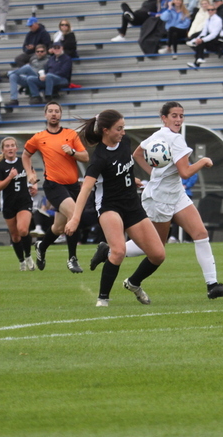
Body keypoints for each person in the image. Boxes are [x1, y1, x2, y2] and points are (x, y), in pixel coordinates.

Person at [90, 102, 223, 300]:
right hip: (160, 198)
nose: (178, 120)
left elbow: (137, 154)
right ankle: (112, 255)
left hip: (175, 194)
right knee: (156, 247)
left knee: (200, 233)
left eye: (181, 116)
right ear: (163, 118)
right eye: (173, 116)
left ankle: (212, 285)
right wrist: (203, 161)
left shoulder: (158, 136)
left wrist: (155, 174)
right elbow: (185, 173)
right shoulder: (173, 139)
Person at [65, 110, 166, 307]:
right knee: (119, 251)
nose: (123, 132)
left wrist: (132, 180)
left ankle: (134, 283)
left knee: (158, 254)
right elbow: (86, 189)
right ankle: (103, 298)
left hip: (132, 205)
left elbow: (123, 169)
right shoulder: (99, 158)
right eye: (119, 129)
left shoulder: (125, 142)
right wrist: (75, 218)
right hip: (109, 206)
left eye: (123, 127)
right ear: (106, 131)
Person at [22, 101, 89, 273]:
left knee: (59, 227)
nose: (53, 114)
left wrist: (72, 153)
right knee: (74, 215)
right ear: (45, 115)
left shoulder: (71, 134)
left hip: (72, 186)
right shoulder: (38, 137)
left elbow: (85, 157)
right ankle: (72, 259)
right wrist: (30, 173)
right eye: (50, 111)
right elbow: (25, 155)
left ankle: (42, 247)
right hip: (53, 185)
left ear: (60, 114)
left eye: (56, 111)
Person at [0, 137, 38, 270]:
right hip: (8, 204)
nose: (10, 148)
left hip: (24, 201)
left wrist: (34, 185)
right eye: (7, 146)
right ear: (3, 150)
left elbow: (32, 175)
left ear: (16, 148)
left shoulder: (23, 162)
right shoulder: (0, 166)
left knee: (23, 230)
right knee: (15, 236)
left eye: (12, 145)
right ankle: (21, 261)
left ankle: (29, 256)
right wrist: (10, 177)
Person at [186, 0, 223, 69]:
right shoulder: (208, 19)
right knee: (200, 40)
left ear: (215, 10)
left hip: (219, 41)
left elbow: (214, 34)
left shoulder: (218, 20)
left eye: (212, 10)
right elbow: (203, 32)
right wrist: (196, 39)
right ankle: (198, 60)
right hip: (212, 39)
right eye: (208, 10)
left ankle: (199, 59)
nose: (210, 11)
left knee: (201, 42)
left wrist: (202, 40)